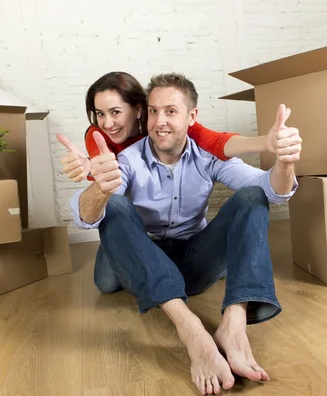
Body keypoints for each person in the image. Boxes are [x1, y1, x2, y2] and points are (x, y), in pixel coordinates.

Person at [69, 72, 301, 395]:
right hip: (147, 258)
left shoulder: (209, 155)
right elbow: (88, 213)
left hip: (193, 257)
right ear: (144, 113)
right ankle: (190, 328)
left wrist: (285, 163)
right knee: (114, 206)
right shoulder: (128, 160)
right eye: (153, 111)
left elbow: (270, 190)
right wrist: (99, 189)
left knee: (253, 197)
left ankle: (234, 325)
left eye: (171, 111)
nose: (159, 121)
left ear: (192, 117)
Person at [57, 71, 277, 183]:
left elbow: (216, 141)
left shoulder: (162, 126)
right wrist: (89, 168)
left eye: (116, 112)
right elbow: (102, 169)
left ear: (138, 109)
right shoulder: (97, 135)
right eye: (99, 114)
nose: (107, 123)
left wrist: (265, 142)